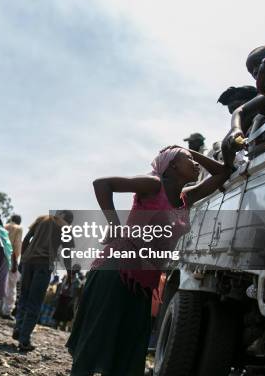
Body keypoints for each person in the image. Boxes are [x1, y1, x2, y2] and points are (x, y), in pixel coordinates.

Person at [66, 146, 232, 376]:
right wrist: (114, 224)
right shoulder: (153, 185)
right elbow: (102, 184)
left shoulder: (187, 198)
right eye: (189, 160)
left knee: (128, 345)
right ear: (171, 166)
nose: (195, 164)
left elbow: (224, 173)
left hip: (145, 280)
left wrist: (189, 151)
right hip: (117, 270)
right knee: (97, 336)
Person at [13, 210, 74, 352]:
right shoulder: (65, 227)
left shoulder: (42, 219)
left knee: (24, 298)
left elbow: (27, 239)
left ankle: (19, 327)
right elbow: (67, 253)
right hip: (44, 264)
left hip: (29, 262)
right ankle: (24, 340)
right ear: (69, 220)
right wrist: (70, 274)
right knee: (35, 302)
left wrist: (23, 259)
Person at [0, 214, 23, 319]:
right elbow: (16, 246)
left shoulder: (4, 227)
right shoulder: (18, 229)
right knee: (10, 287)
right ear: (19, 221)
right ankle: (6, 311)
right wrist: (15, 263)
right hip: (10, 259)